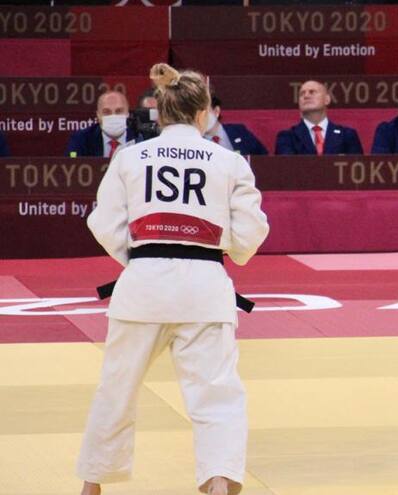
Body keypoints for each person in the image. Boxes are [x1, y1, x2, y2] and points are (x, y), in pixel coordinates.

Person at [77, 63, 269, 495]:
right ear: (204, 113)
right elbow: (251, 232)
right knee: (216, 393)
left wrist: (141, 258)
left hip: (143, 284)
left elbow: (102, 222)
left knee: (117, 387)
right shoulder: (229, 160)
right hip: (204, 286)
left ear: (158, 114)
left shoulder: (129, 157)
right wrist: (230, 250)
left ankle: (92, 483)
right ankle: (218, 481)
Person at [275, 80, 363, 155]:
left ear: (327, 99)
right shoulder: (287, 137)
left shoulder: (347, 135)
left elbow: (355, 171)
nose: (306, 96)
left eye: (312, 92)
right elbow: (286, 170)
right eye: (302, 94)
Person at [65, 90, 137, 158]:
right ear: (98, 115)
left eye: (119, 111)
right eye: (107, 112)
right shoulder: (81, 139)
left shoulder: (139, 138)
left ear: (128, 114)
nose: (113, 116)